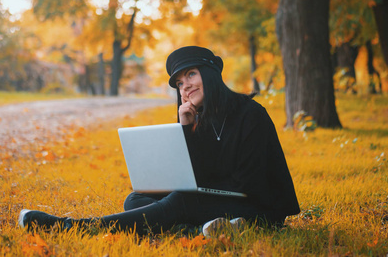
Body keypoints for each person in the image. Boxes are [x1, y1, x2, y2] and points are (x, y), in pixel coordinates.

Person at [19, 46, 300, 236]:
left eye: (191, 74)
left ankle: (73, 226)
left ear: (211, 75)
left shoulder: (250, 114)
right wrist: (186, 127)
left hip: (259, 207)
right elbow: (194, 174)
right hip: (222, 201)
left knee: (179, 200)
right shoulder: (197, 118)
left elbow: (248, 183)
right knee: (136, 199)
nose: (185, 85)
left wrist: (195, 192)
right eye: (179, 83)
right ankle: (204, 229)